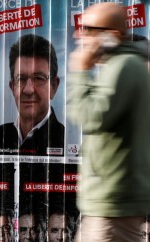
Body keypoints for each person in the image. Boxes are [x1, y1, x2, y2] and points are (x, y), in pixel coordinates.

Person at [67, 2, 150, 241]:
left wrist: (81, 70)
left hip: (112, 205)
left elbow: (90, 116)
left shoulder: (124, 66)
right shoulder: (123, 65)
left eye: (88, 29)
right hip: (110, 203)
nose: (78, 34)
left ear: (111, 35)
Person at [0, 34, 64, 156]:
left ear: (54, 86)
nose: (28, 90)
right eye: (21, 79)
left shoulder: (66, 142)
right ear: (12, 87)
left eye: (39, 78)